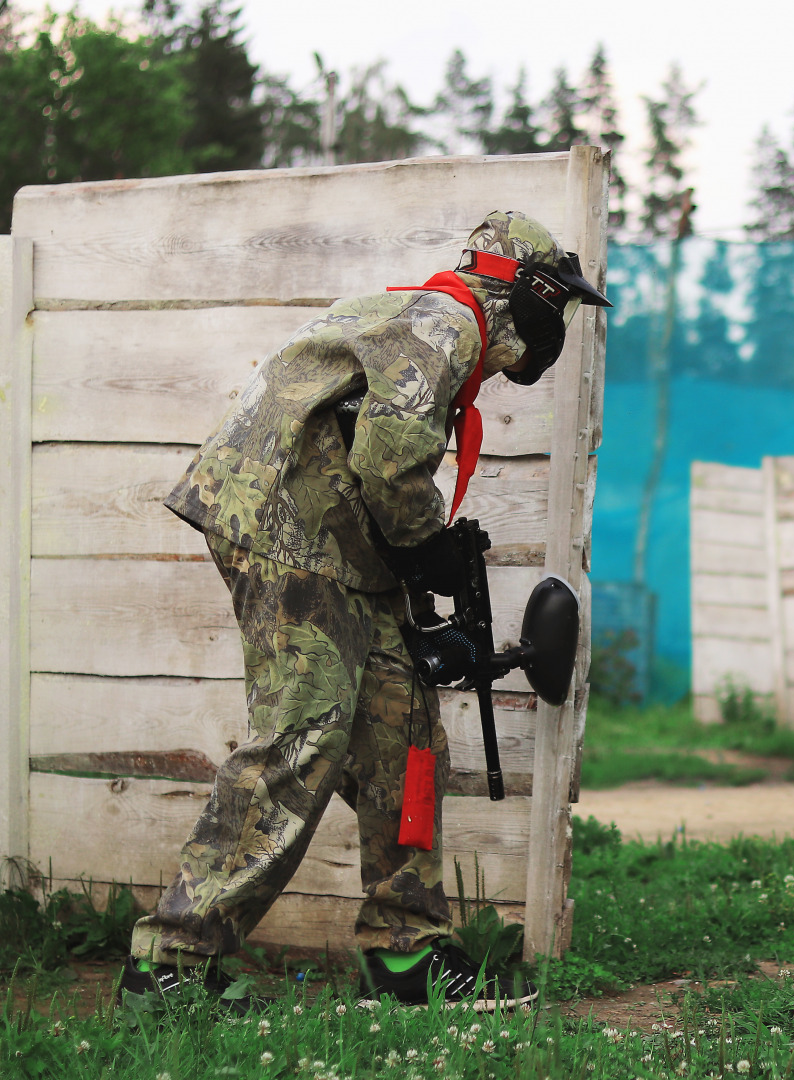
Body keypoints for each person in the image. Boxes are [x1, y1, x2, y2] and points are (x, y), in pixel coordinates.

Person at [117, 211, 609, 1010]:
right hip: (284, 527)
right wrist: (428, 546)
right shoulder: (447, 322)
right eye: (560, 305)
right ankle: (170, 961)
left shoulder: (425, 319)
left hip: (340, 543)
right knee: (305, 734)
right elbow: (388, 462)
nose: (558, 326)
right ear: (529, 293)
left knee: (403, 734)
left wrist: (420, 564)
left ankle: (408, 953)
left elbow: (369, 457)